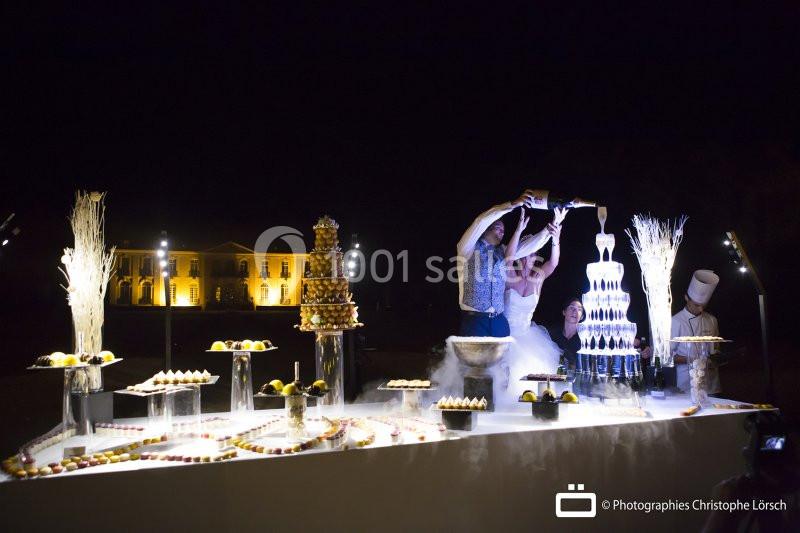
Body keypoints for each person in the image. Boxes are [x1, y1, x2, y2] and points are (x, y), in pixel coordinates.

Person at [455, 190, 553, 337]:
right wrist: (512, 205)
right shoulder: (467, 247)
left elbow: (528, 248)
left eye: (503, 230)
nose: (502, 232)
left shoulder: (503, 251)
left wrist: (548, 230)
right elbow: (480, 221)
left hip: (499, 321)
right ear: (485, 230)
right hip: (475, 319)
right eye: (498, 228)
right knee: (476, 360)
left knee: (504, 360)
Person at [498, 207, 566, 402]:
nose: (532, 257)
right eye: (529, 253)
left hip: (529, 338)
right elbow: (507, 258)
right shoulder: (511, 275)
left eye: (535, 254)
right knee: (507, 387)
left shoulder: (538, 278)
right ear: (523, 255)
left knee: (533, 387)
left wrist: (556, 238)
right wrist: (518, 230)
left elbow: (553, 263)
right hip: (507, 337)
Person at [671, 269, 721, 394]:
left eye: (704, 304)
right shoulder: (676, 321)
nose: (701, 308)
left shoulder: (712, 320)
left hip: (711, 383)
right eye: (697, 304)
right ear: (686, 298)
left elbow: (716, 348)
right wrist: (693, 359)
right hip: (687, 384)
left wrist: (717, 358)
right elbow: (668, 356)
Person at [547, 298, 584, 372]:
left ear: (582, 317)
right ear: (564, 312)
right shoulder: (551, 335)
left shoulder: (584, 340)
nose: (575, 311)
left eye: (579, 309)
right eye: (572, 307)